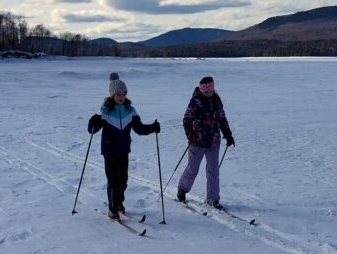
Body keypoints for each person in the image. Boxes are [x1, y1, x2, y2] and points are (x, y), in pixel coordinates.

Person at [87, 73, 160, 219]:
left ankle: (119, 203)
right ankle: (113, 208)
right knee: (114, 181)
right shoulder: (106, 111)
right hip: (109, 151)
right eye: (118, 94)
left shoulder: (130, 111)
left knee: (123, 181)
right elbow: (93, 131)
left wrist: (153, 128)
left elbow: (139, 129)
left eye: (123, 94)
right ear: (112, 95)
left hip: (123, 151)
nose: (121, 96)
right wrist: (92, 122)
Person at [177, 75, 234, 209]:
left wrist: (228, 134)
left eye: (210, 90)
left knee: (213, 170)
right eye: (206, 90)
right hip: (197, 141)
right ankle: (182, 189)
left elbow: (222, 118)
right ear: (201, 90)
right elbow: (186, 119)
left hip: (214, 141)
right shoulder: (195, 101)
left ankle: (213, 199)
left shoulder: (217, 101)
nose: (209, 92)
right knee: (193, 168)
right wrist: (190, 135)